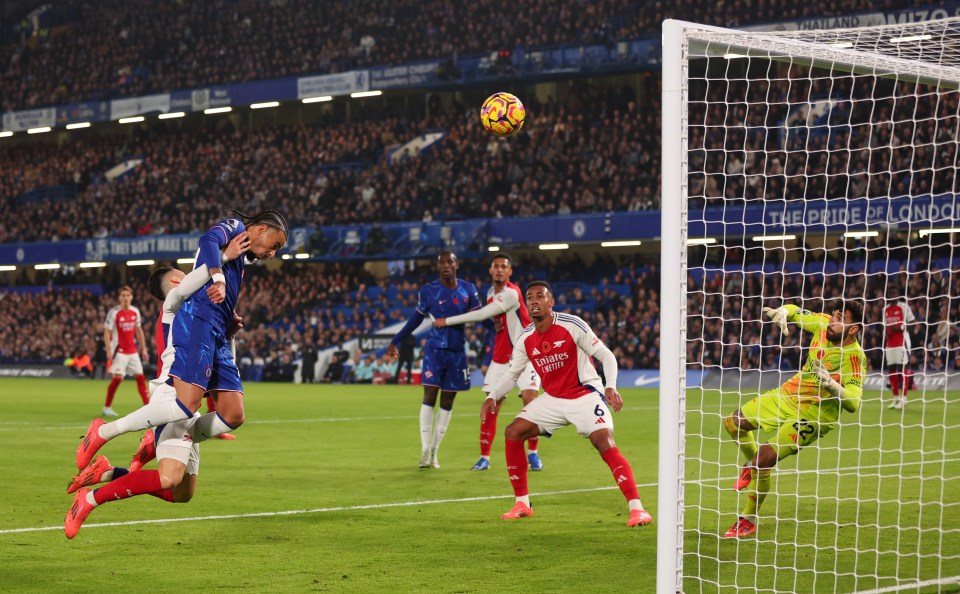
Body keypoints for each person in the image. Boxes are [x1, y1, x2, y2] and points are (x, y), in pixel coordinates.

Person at [65, 233, 250, 538]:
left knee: (183, 493)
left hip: (191, 403)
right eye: (185, 275)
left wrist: (230, 336)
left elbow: (224, 366)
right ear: (178, 281)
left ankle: (108, 472)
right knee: (168, 477)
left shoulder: (207, 316)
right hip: (171, 394)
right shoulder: (174, 307)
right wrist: (224, 258)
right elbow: (181, 293)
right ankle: (88, 497)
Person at [74, 209, 288, 472]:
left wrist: (229, 323)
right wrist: (219, 273)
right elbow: (208, 241)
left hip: (216, 333)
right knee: (184, 417)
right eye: (274, 245)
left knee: (233, 415)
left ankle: (146, 446)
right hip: (193, 337)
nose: (272, 253)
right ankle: (105, 432)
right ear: (260, 230)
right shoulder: (233, 231)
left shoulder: (239, 259)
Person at [483, 281, 652, 527]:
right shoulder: (526, 338)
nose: (534, 301)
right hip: (553, 398)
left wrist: (611, 386)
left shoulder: (571, 325)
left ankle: (637, 509)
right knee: (513, 431)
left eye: (540, 296)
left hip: (584, 394)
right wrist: (492, 396)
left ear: (551, 302)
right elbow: (511, 374)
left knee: (604, 442)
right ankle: (522, 503)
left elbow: (606, 355)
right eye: (529, 298)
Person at [722, 301, 865, 538]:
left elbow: (854, 403)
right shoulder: (822, 323)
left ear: (853, 329)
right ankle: (750, 465)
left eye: (841, 319)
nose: (833, 322)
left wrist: (832, 385)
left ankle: (748, 519)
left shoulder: (854, 357)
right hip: (788, 395)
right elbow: (796, 311)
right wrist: (783, 312)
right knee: (733, 422)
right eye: (834, 315)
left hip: (814, 415)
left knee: (763, 461)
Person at [434, 252, 543, 471]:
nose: (500, 269)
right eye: (496, 266)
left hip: (525, 356)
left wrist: (447, 320)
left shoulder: (512, 293)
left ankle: (533, 453)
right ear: (491, 271)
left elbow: (482, 314)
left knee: (532, 403)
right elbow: (493, 322)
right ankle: (485, 458)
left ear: (510, 271)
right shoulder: (491, 292)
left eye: (504, 266)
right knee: (490, 407)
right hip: (501, 358)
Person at [386, 250, 482, 469]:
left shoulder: (468, 289)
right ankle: (424, 449)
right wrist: (396, 340)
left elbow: (480, 316)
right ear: (438, 267)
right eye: (442, 262)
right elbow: (415, 320)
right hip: (434, 351)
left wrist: (498, 328)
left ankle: (435, 450)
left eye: (450, 261)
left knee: (447, 402)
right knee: (429, 396)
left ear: (457, 264)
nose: (446, 265)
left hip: (457, 353)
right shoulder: (429, 290)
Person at [102, 285, 150, 416]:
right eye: (123, 296)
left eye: (128, 296)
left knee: (140, 378)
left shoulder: (135, 312)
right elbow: (107, 332)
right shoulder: (114, 313)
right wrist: (109, 350)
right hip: (120, 351)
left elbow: (139, 331)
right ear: (119, 298)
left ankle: (149, 408)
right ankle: (107, 407)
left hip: (133, 351)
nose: (126, 298)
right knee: (117, 379)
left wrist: (144, 349)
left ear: (132, 297)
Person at [883, 287, 916, 410]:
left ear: (898, 294)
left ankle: (904, 398)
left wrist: (901, 328)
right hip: (890, 343)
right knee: (891, 368)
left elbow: (913, 321)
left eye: (895, 292)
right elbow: (884, 326)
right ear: (888, 294)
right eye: (891, 292)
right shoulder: (885, 309)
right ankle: (895, 398)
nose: (893, 294)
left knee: (903, 368)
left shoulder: (904, 307)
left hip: (902, 342)